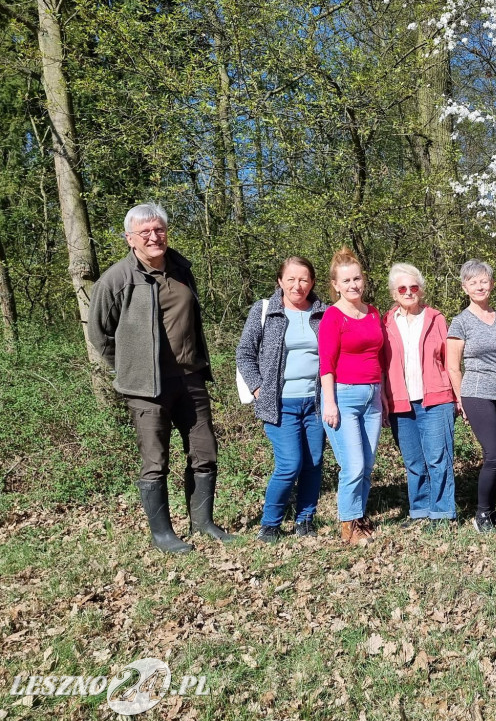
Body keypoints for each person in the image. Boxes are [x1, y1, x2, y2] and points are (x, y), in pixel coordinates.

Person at [88, 202, 234, 553]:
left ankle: (203, 523)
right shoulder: (117, 279)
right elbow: (99, 334)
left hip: (191, 379)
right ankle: (163, 535)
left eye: (159, 230)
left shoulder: (182, 269)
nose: (155, 237)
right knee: (155, 461)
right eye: (146, 232)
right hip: (146, 388)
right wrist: (127, 367)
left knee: (205, 451)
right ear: (130, 239)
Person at [236, 257, 329, 543]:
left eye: (303, 279)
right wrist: (258, 389)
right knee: (289, 464)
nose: (297, 285)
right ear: (280, 281)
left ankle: (305, 519)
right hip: (280, 404)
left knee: (313, 463)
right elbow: (244, 354)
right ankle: (270, 523)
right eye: (291, 279)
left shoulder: (325, 313)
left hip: (316, 403)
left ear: (312, 282)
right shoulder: (265, 311)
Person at [319, 248, 386, 546]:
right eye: (346, 281)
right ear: (335, 285)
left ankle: (358, 516)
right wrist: (330, 402)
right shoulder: (333, 316)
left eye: (357, 279)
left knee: (367, 464)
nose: (353, 285)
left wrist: (383, 396)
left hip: (373, 396)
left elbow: (380, 357)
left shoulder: (373, 313)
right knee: (353, 465)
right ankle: (348, 527)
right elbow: (326, 364)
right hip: (343, 397)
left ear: (364, 280)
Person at [383, 263, 458, 527]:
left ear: (421, 290)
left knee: (439, 459)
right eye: (402, 288)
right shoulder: (386, 322)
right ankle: (420, 511)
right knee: (414, 461)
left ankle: (442, 512)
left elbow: (449, 360)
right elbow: (379, 363)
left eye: (413, 287)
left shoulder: (436, 318)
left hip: (436, 399)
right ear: (394, 293)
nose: (408, 292)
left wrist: (458, 396)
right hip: (400, 402)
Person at [446, 260, 496, 534]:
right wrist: (461, 400)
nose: (479, 286)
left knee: (495, 456)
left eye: (484, 280)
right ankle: (482, 514)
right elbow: (453, 365)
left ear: (492, 284)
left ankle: (491, 510)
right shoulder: (460, 322)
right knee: (495, 454)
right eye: (472, 282)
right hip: (476, 393)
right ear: (465, 287)